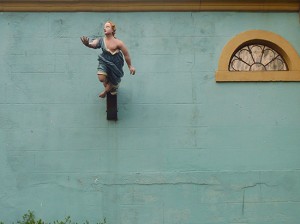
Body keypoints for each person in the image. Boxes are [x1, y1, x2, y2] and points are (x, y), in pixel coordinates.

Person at [80, 21, 136, 98]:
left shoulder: (118, 43)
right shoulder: (101, 40)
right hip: (104, 61)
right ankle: (110, 86)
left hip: (116, 64)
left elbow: (126, 55)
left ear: (112, 30)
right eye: (104, 27)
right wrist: (88, 44)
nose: (104, 28)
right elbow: (94, 44)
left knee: (113, 80)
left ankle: (108, 90)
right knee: (101, 78)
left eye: (107, 27)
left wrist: (130, 66)